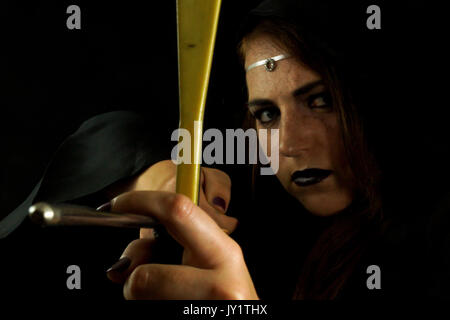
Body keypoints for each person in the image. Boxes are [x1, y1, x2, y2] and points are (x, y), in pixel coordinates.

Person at [1, 0, 449, 300]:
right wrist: (153, 173)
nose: (290, 144)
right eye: (267, 115)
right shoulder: (258, 210)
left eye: (321, 101)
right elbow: (121, 130)